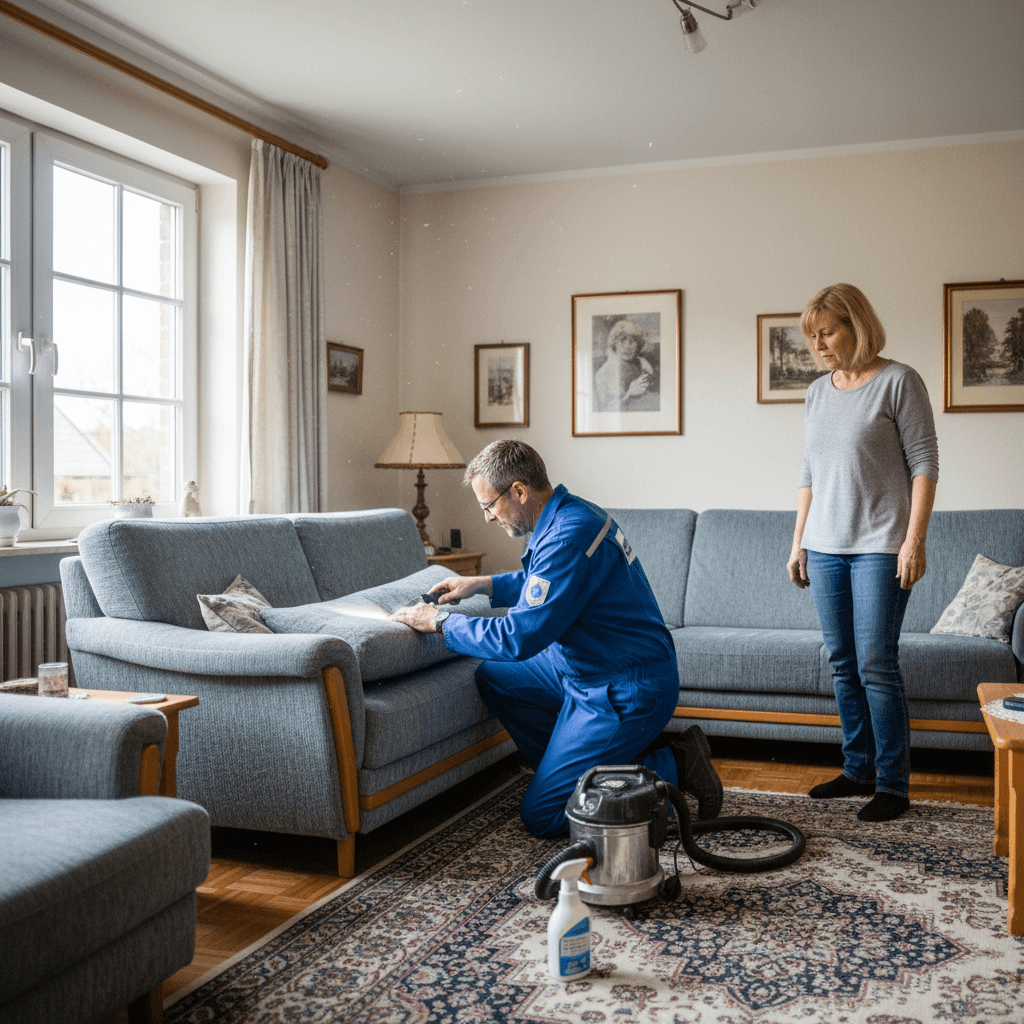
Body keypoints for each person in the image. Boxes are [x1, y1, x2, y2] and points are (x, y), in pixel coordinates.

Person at [391, 439, 722, 837]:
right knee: (495, 677)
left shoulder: (568, 535)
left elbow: (518, 639)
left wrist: (440, 622)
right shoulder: (568, 514)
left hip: (623, 685)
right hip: (583, 666)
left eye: (488, 505)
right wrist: (483, 584)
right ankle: (578, 768)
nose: (488, 518)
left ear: (518, 490)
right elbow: (548, 586)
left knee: (545, 815)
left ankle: (676, 763)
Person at [786, 283, 938, 823]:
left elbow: (924, 465)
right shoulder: (817, 391)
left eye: (827, 331)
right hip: (824, 546)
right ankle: (858, 770)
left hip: (880, 545)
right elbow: (809, 475)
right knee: (842, 663)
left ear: (856, 324)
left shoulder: (899, 381)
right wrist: (798, 540)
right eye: (812, 336)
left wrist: (913, 541)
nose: (819, 344)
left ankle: (893, 784)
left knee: (877, 663)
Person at [593, 319, 659, 412]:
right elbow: (605, 410)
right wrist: (629, 394)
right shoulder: (604, 373)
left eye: (633, 341)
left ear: (638, 345)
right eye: (622, 340)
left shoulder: (641, 363)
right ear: (615, 343)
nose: (628, 346)